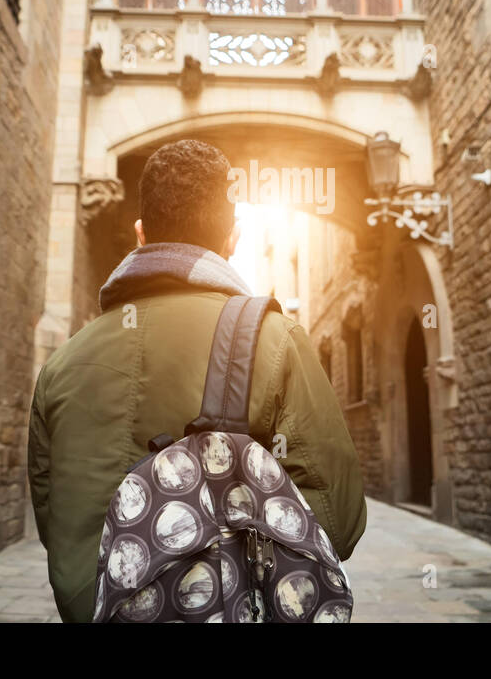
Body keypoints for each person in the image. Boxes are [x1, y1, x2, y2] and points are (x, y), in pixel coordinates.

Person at [28, 139, 367, 622]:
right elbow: (340, 518)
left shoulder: (61, 365)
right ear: (233, 238)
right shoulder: (276, 340)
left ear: (141, 235)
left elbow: (54, 519)